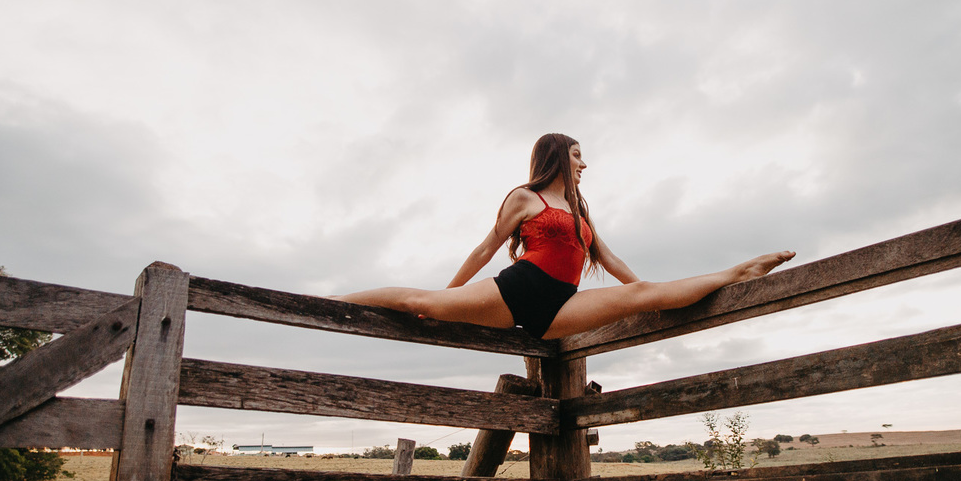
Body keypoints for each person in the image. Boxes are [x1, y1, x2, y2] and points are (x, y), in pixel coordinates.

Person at [331, 133, 794, 340]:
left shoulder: (579, 209)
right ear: (557, 156)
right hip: (520, 288)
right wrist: (448, 296)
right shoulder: (525, 198)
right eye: (577, 155)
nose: (583, 164)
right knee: (426, 304)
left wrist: (639, 289)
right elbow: (486, 248)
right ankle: (338, 302)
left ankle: (739, 271)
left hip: (560, 305)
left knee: (644, 294)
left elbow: (608, 259)